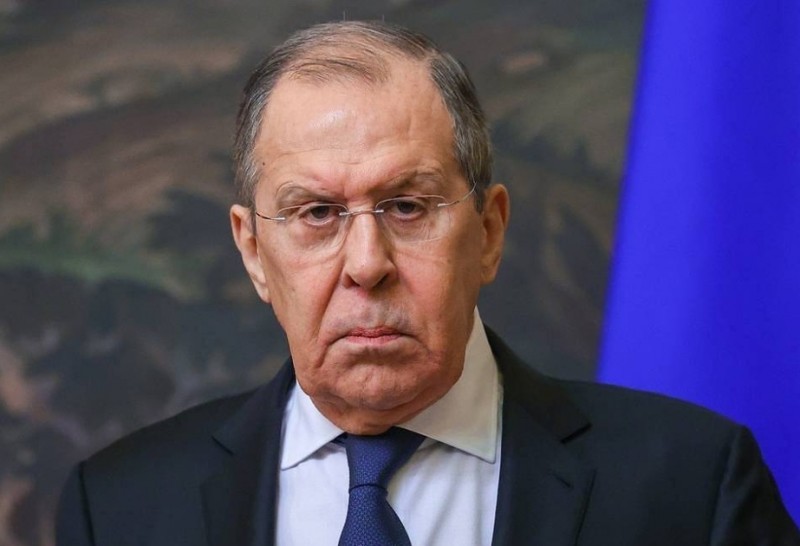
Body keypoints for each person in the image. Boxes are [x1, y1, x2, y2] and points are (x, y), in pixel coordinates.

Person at [56, 20, 799, 546]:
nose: (367, 263)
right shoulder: (118, 509)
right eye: (317, 213)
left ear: (489, 232)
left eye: (407, 206)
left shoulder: (693, 486)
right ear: (254, 252)